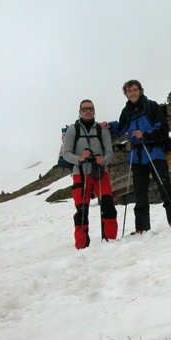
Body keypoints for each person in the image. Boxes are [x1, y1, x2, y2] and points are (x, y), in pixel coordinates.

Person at [107, 79, 171, 234]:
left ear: (140, 90)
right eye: (129, 91)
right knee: (140, 191)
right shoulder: (126, 111)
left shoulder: (151, 106)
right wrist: (108, 126)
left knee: (164, 185)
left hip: (155, 152)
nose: (132, 93)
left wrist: (145, 134)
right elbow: (120, 129)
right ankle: (142, 227)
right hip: (137, 156)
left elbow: (162, 127)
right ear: (126, 94)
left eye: (135, 89)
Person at [62, 99, 117, 249]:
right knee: (81, 210)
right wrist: (79, 158)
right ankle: (81, 246)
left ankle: (111, 241)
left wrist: (103, 160)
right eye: (84, 109)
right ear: (79, 112)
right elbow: (66, 153)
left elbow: (109, 153)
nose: (88, 111)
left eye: (90, 109)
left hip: (100, 172)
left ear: (94, 111)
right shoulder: (73, 130)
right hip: (80, 174)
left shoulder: (102, 130)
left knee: (108, 206)